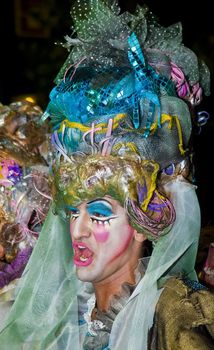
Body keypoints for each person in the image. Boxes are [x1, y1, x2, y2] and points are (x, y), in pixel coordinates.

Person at [0, 1, 213, 349]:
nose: (78, 230)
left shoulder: (174, 322)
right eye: (73, 212)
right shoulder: (55, 311)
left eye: (99, 215)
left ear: (144, 223)